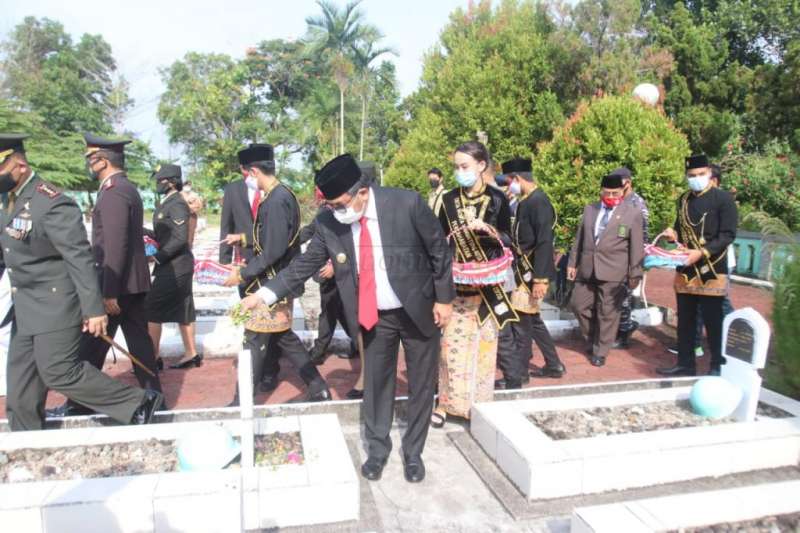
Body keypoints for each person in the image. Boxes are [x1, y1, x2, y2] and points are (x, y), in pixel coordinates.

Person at [240, 153, 454, 483]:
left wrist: (444, 298)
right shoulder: (330, 223)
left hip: (418, 309)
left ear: (363, 192)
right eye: (331, 206)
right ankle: (378, 450)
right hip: (374, 316)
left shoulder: (407, 204)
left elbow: (439, 250)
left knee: (421, 384)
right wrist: (264, 294)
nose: (337, 212)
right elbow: (302, 266)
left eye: (341, 204)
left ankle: (413, 452)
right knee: (376, 385)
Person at [0, 133, 161, 430]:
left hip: (55, 303)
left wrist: (94, 307)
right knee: (21, 379)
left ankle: (138, 402)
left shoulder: (50, 203)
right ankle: (26, 438)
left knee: (59, 371)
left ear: (18, 164)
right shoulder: (9, 201)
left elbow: (82, 256)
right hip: (25, 306)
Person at [50, 133, 163, 418]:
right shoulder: (123, 188)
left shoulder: (114, 192)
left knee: (91, 345)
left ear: (101, 160)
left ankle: (81, 402)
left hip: (118, 285)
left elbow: (114, 245)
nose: (88, 163)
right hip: (130, 282)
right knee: (134, 344)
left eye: (90, 158)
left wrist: (109, 292)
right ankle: (155, 398)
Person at [223, 144, 330, 403]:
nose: (246, 179)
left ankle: (241, 402)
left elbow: (273, 250)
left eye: (247, 173)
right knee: (284, 338)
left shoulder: (276, 199)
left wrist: (243, 273)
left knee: (254, 340)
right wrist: (245, 240)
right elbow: (272, 238)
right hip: (274, 279)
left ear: (254, 171)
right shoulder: (278, 195)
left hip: (273, 282)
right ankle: (318, 387)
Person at [434, 141, 518, 422]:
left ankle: (478, 407)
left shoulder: (497, 199)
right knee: (450, 349)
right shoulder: (448, 201)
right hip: (457, 286)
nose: (460, 171)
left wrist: (489, 230)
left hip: (488, 287)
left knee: (483, 350)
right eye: (456, 167)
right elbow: (439, 243)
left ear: (481, 165)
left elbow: (508, 240)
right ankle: (446, 404)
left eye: (465, 166)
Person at [658, 155, 738, 377]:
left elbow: (728, 235)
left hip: (712, 267)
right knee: (686, 320)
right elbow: (680, 230)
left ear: (710, 174)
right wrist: (673, 237)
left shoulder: (723, 199)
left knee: (714, 321)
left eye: (700, 175)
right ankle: (685, 364)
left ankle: (717, 366)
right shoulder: (683, 200)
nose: (696, 179)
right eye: (691, 176)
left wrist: (701, 253)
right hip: (686, 268)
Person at [220, 144, 281, 392]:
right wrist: (225, 262)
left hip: (272, 266)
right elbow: (226, 225)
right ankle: (253, 369)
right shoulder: (233, 190)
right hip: (244, 265)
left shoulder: (275, 191)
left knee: (273, 320)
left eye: (251, 173)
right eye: (245, 173)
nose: (249, 178)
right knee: (250, 319)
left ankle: (270, 370)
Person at [567, 172, 645, 367]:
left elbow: (637, 246)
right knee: (578, 305)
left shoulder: (632, 213)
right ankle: (593, 338)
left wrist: (635, 272)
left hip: (614, 270)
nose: (611, 197)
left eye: (615, 193)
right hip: (587, 268)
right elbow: (579, 239)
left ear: (623, 191)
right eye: (607, 193)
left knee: (608, 312)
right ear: (601, 191)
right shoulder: (590, 209)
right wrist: (572, 263)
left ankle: (601, 350)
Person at [501, 158, 564, 385]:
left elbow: (545, 242)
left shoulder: (538, 201)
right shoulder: (526, 200)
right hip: (523, 269)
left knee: (521, 324)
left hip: (532, 273)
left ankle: (519, 374)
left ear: (517, 178)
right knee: (532, 320)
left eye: (509, 182)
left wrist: (540, 279)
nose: (508, 187)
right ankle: (554, 364)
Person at [144, 164, 201, 370]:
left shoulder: (177, 203)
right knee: (184, 308)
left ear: (171, 182)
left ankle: (152, 357)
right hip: (176, 265)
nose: (157, 183)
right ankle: (191, 354)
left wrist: (157, 258)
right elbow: (163, 235)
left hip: (175, 266)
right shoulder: (167, 202)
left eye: (160, 180)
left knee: (151, 308)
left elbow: (179, 240)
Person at [614, 167, 650, 348]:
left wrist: (635, 265)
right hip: (614, 258)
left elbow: (642, 236)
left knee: (624, 298)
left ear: (627, 182)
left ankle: (624, 333)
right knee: (617, 297)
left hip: (629, 259)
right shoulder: (617, 200)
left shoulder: (637, 203)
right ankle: (622, 329)